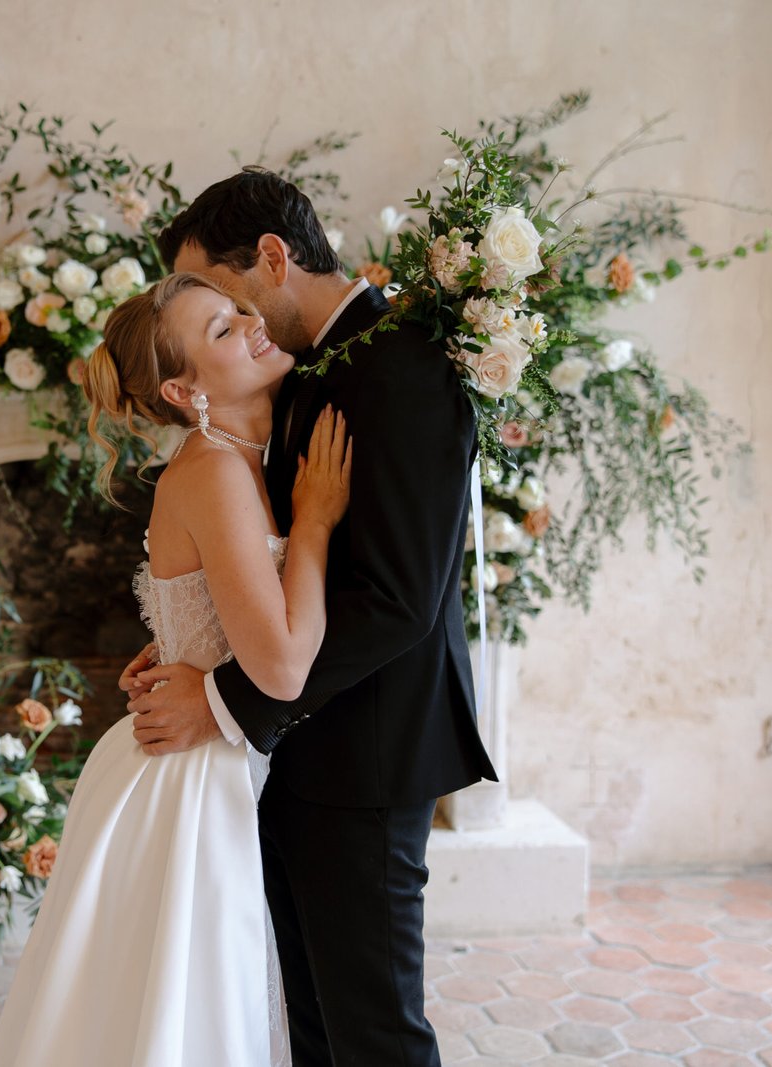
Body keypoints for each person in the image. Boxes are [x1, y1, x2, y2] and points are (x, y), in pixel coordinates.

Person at [123, 167, 498, 1066]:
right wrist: (188, 634)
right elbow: (275, 552)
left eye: (219, 295)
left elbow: (398, 599)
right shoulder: (302, 366)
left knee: (375, 1033)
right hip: (295, 751)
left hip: (363, 756)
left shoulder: (402, 365)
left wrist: (222, 699)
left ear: (271, 258)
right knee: (317, 1027)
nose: (234, 321)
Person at [0, 271, 352, 1067]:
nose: (251, 324)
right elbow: (284, 666)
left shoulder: (244, 457)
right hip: (187, 783)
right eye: (221, 331)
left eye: (238, 311)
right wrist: (317, 521)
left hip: (204, 758)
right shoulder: (216, 471)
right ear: (185, 389)